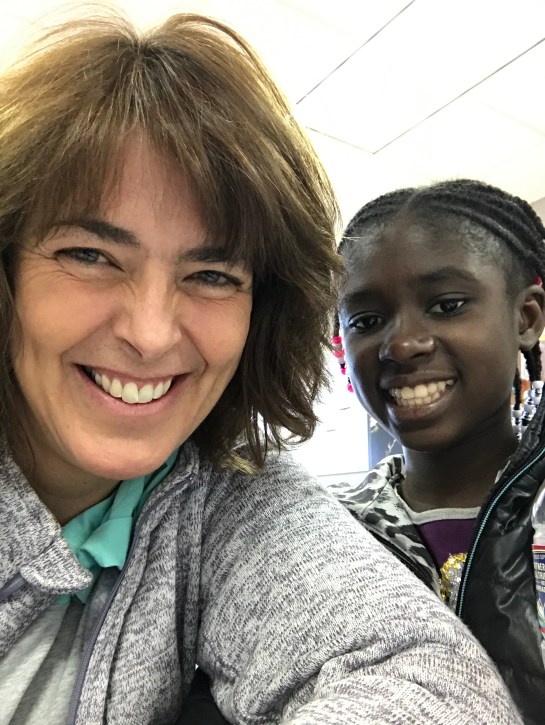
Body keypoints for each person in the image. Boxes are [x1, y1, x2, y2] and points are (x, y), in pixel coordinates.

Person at [0, 12, 522, 723]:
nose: (150, 335)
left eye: (212, 274)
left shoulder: (226, 495)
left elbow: (428, 677)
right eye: (89, 255)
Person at [331, 178, 545, 724]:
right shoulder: (327, 535)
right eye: (367, 321)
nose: (402, 344)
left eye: (447, 306)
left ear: (526, 319)